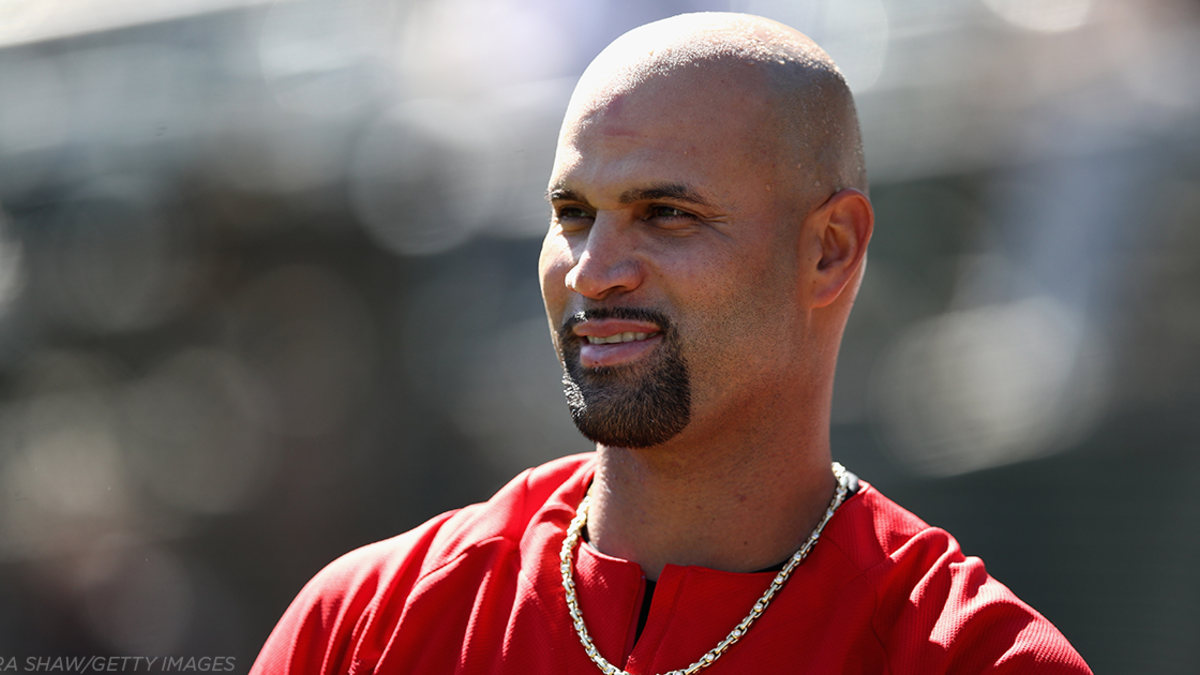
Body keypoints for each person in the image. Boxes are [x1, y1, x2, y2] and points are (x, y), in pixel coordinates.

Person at [250, 12, 1092, 674]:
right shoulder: (365, 625)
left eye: (666, 214)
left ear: (829, 248)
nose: (593, 271)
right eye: (573, 216)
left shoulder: (971, 658)